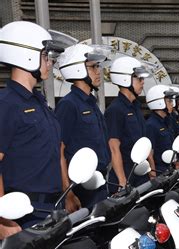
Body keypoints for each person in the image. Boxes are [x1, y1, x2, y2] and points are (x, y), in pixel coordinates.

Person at [0, 21, 65, 230]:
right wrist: (3, 222)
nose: (49, 62)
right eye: (45, 56)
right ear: (25, 55)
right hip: (23, 213)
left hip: (52, 208)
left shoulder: (39, 102)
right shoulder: (7, 104)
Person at [56, 44, 110, 209]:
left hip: (99, 182)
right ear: (76, 70)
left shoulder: (92, 103)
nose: (98, 71)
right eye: (93, 67)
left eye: (98, 66)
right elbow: (59, 150)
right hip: (80, 187)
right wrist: (68, 193)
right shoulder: (69, 105)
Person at [105, 56, 150, 192]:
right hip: (125, 177)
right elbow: (113, 147)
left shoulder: (136, 107)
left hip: (141, 174)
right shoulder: (115, 109)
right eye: (138, 78)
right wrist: (122, 182)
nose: (143, 82)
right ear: (124, 78)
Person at [145, 84, 179, 174]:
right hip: (160, 170)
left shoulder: (168, 120)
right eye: (169, 101)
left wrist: (176, 164)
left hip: (170, 168)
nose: (172, 104)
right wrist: (153, 173)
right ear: (158, 102)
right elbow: (149, 153)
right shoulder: (151, 124)